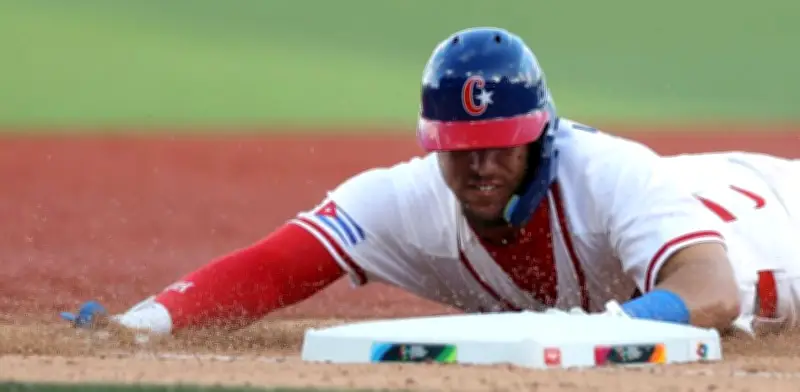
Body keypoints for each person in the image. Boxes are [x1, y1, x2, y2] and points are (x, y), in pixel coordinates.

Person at [62, 27, 800, 339]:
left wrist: (605, 334)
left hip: (780, 218)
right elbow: (277, 265)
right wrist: (145, 323)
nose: (478, 165)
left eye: (500, 147)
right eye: (460, 148)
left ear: (538, 134)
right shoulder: (411, 199)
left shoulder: (609, 175)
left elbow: (711, 290)